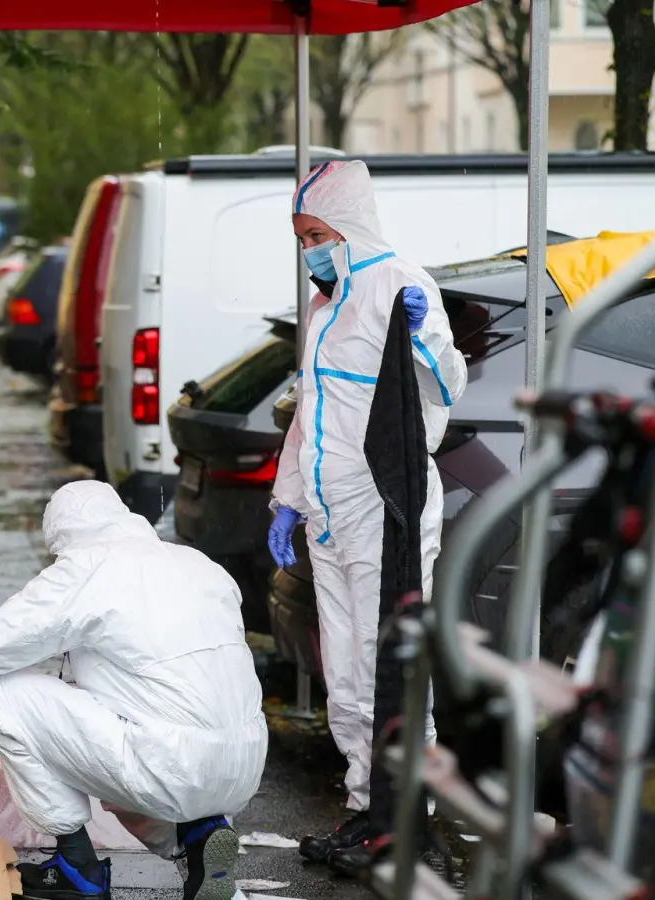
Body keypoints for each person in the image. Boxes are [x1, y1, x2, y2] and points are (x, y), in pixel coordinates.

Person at [265, 159, 467, 875]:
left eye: (316, 233)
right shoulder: (325, 307)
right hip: (328, 512)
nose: (309, 249)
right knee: (345, 675)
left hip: (386, 507)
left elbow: (449, 384)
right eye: (301, 237)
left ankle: (410, 819)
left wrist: (421, 338)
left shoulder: (401, 285)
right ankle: (365, 808)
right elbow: (309, 415)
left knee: (392, 669)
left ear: (348, 227)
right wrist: (288, 499)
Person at [0, 480, 268, 900]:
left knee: (5, 696)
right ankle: (201, 838)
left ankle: (76, 868)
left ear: (63, 537)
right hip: (243, 764)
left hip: (168, 763)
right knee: (141, 717)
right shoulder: (199, 564)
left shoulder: (87, 568)